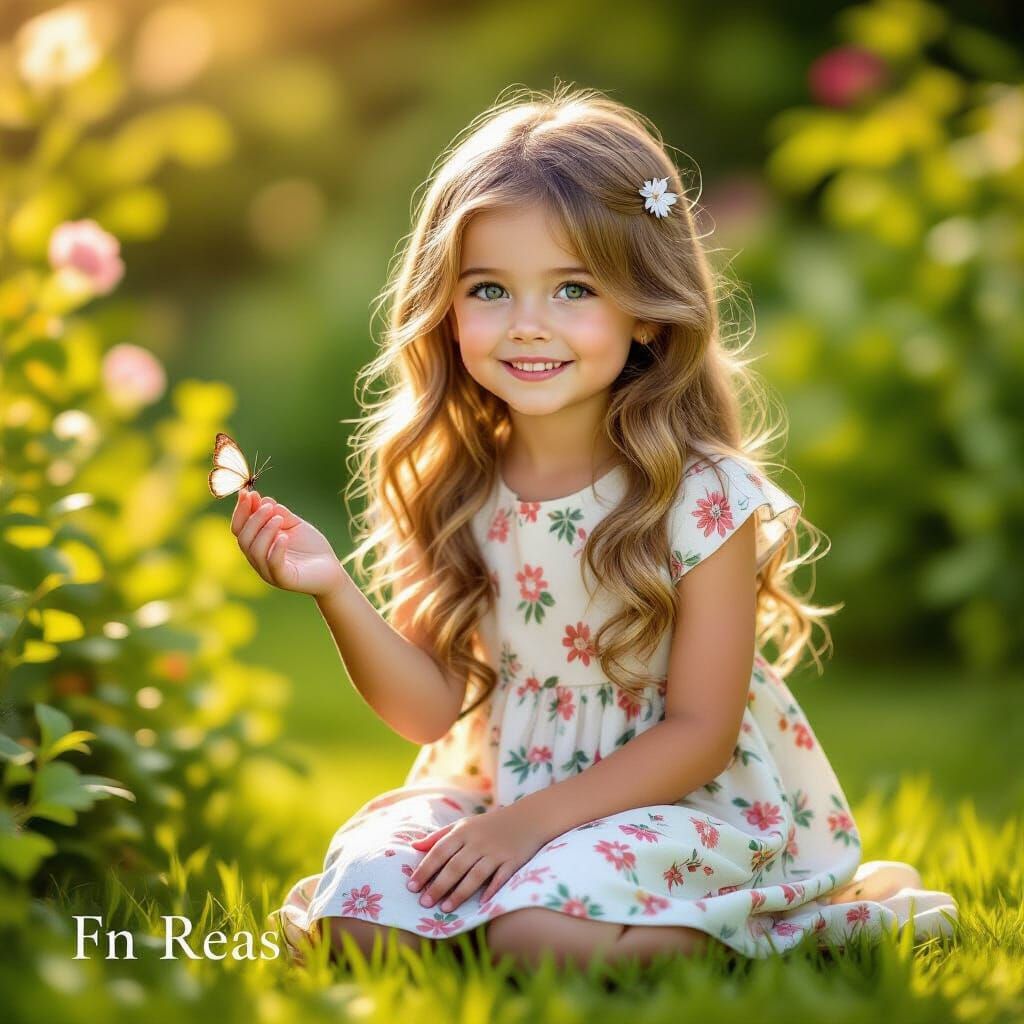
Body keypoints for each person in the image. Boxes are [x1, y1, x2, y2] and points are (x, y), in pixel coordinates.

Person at [234, 84, 958, 969]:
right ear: (448, 307)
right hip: (497, 789)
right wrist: (330, 588)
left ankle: (778, 937)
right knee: (359, 919)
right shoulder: (458, 479)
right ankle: (505, 924)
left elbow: (700, 732)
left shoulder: (701, 496)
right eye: (490, 289)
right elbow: (428, 712)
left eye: (573, 288)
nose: (527, 325)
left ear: (647, 308)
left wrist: (527, 829)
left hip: (678, 804)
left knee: (540, 933)